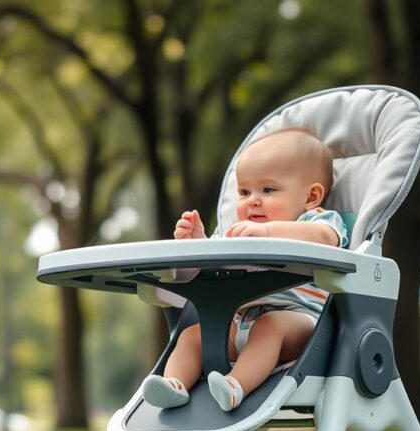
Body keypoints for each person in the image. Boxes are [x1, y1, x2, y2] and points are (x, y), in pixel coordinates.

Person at [142, 127, 349, 412]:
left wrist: (266, 231)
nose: (253, 199)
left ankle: (235, 386)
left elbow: (327, 238)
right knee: (192, 335)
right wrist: (199, 243)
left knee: (269, 326)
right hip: (238, 325)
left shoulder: (316, 220)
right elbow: (206, 267)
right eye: (244, 191)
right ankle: (175, 384)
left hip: (301, 326)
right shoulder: (235, 233)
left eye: (268, 190)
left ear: (311, 196)